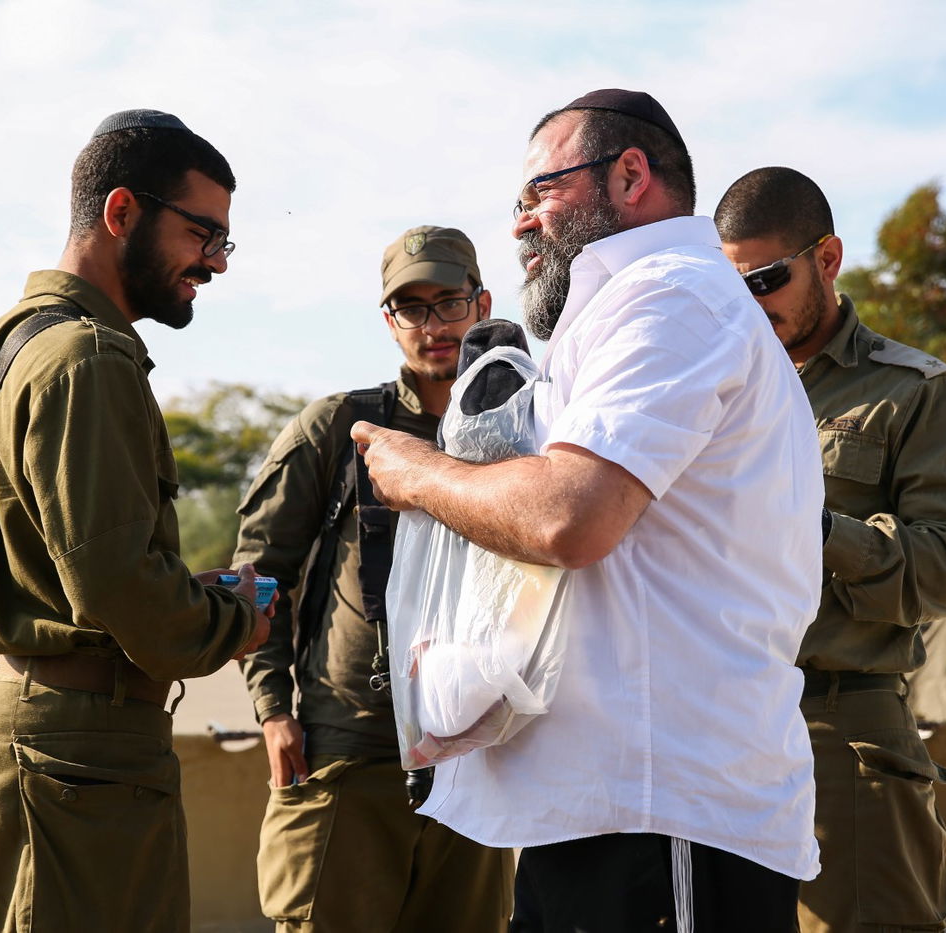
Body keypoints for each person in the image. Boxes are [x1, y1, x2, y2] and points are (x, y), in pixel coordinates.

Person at [351, 90, 824, 932]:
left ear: (630, 175)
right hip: (610, 813)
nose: (520, 223)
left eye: (540, 192)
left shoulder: (674, 297)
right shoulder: (633, 308)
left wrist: (417, 472)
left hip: (662, 814)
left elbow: (570, 516)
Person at [0, 109, 271, 933]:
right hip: (76, 755)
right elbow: (115, 583)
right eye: (202, 233)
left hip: (8, 724)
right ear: (122, 212)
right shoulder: (89, 357)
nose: (216, 262)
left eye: (224, 240)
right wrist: (233, 620)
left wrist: (167, 595)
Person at [715, 166, 946, 932]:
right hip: (717, 728)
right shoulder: (712, 393)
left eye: (767, 279)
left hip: (838, 725)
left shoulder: (911, 391)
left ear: (827, 258)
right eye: (732, 287)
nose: (750, 304)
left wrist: (813, 528)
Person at [233, 225, 514, 933]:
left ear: (482, 304)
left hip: (477, 754)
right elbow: (259, 576)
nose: (433, 325)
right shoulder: (340, 428)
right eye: (411, 308)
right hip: (350, 748)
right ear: (390, 322)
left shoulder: (521, 432)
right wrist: (273, 710)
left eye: (449, 302)